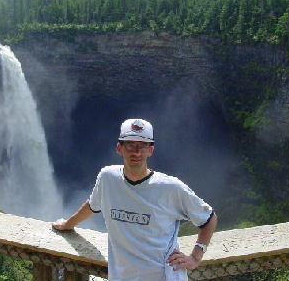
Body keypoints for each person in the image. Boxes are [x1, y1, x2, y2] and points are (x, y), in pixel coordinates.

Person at [52, 118, 217, 281]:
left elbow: (209, 218)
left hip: (163, 276)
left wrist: (195, 256)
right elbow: (92, 205)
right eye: (130, 145)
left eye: (142, 146)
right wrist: (68, 224)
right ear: (119, 148)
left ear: (150, 150)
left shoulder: (170, 187)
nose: (136, 152)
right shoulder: (107, 177)